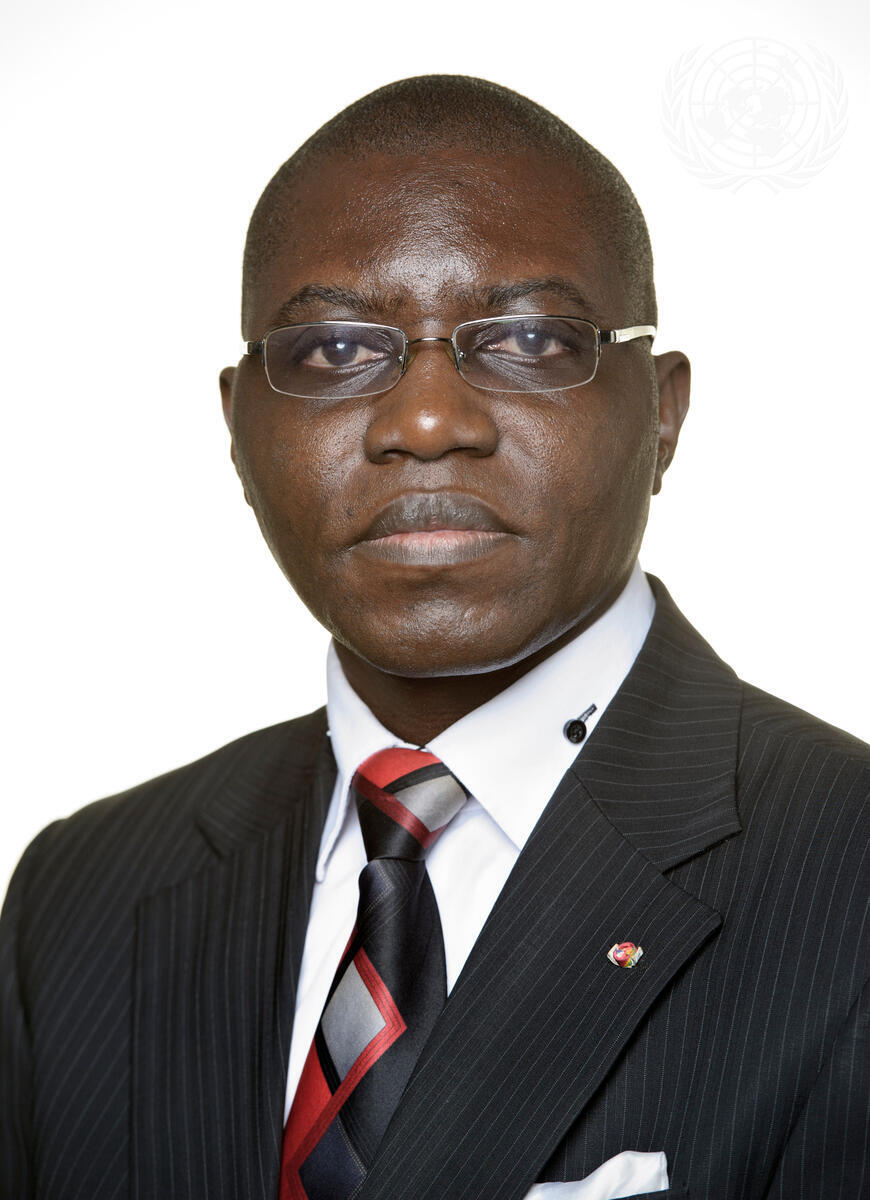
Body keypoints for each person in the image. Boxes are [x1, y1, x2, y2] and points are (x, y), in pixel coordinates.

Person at [1, 75, 867, 1200]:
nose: (424, 422)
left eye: (528, 338)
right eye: (332, 352)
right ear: (236, 428)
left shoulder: (848, 875)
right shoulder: (80, 900)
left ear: (662, 412)